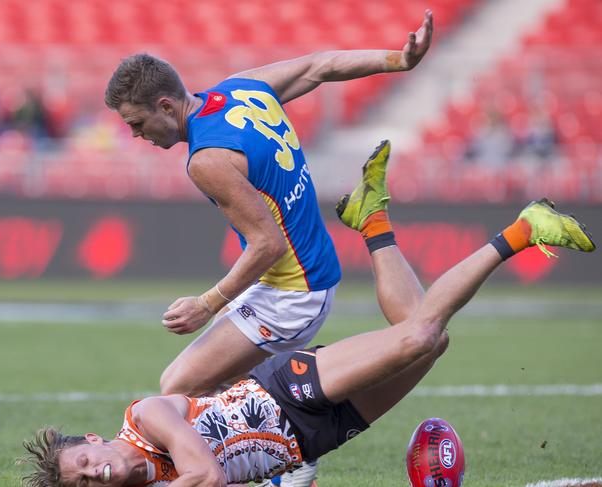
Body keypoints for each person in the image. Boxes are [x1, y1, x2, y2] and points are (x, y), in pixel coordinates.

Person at [20, 179, 595, 486]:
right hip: (314, 438)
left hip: (288, 391)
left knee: (419, 336)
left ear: (93, 442)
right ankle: (372, 222)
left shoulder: (144, 416)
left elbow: (207, 473)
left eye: (84, 467)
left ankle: (522, 230)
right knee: (430, 340)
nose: (95, 477)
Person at [104, 10, 434, 486]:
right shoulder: (239, 89)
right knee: (215, 390)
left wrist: (206, 303)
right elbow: (318, 66)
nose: (136, 135)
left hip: (291, 292)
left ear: (165, 106)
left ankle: (292, 463)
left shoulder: (207, 160)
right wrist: (397, 59)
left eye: (136, 123)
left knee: (178, 387)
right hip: (303, 275)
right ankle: (281, 463)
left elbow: (267, 244)